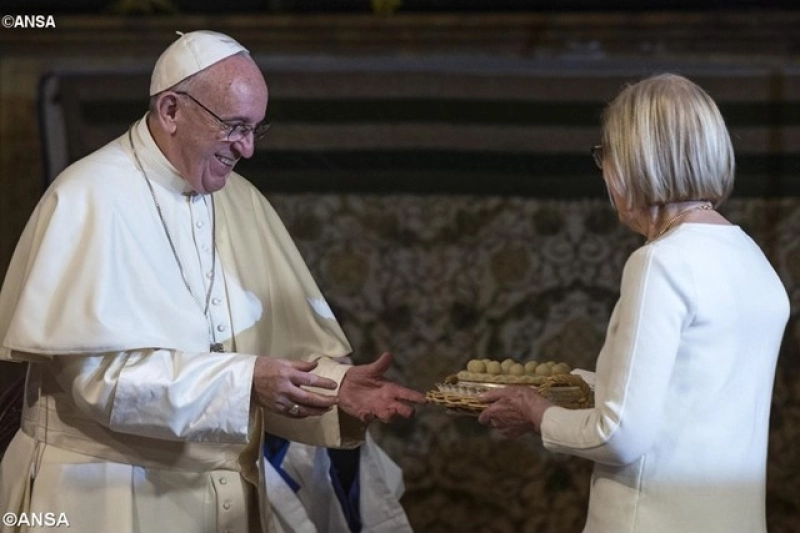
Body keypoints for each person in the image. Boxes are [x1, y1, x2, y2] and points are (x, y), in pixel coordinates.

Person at [0, 30, 426, 533]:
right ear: (172, 111)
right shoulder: (86, 197)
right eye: (234, 126)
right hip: (106, 497)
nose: (246, 148)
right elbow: (100, 381)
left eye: (255, 129)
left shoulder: (240, 200)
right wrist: (246, 382)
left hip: (227, 500)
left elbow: (273, 354)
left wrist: (334, 389)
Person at [477, 73, 789, 533]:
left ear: (634, 161)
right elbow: (687, 398)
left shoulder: (660, 262)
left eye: (606, 154)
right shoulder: (752, 258)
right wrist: (567, 387)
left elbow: (621, 435)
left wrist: (535, 412)